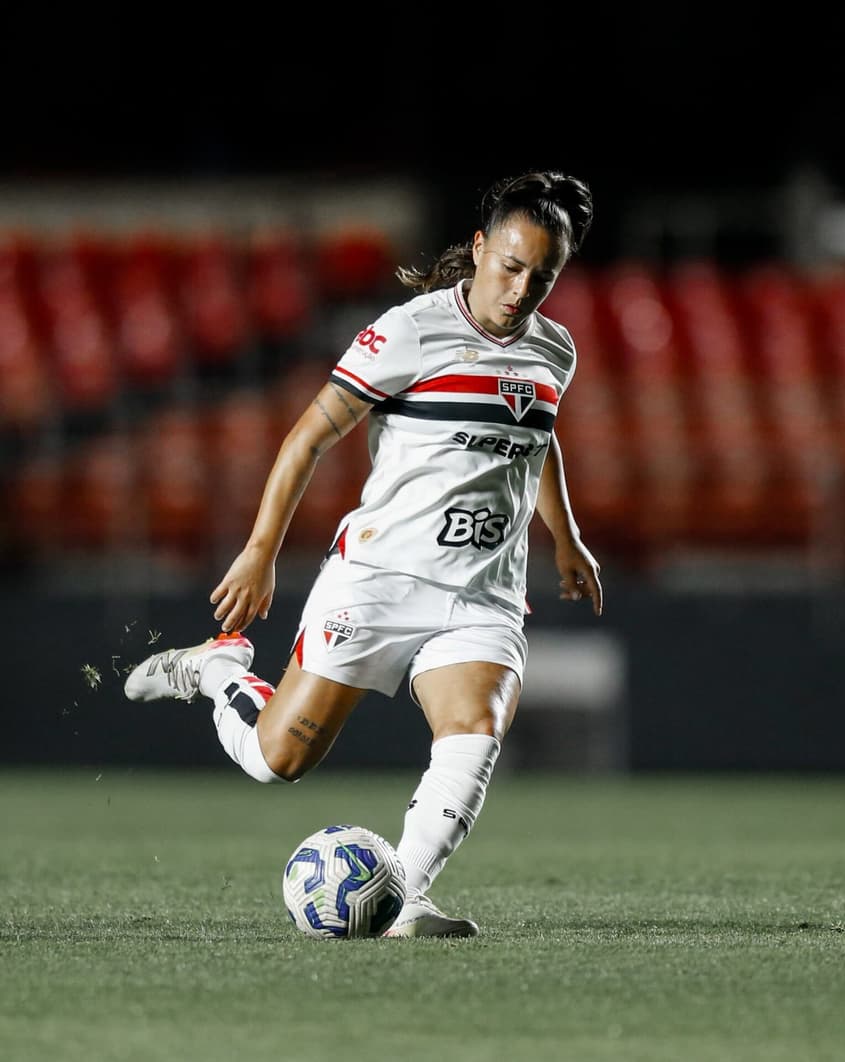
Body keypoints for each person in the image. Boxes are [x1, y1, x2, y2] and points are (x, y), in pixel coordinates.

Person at [124, 169, 604, 938]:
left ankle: (404, 898)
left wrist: (567, 537)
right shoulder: (410, 331)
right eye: (511, 266)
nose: (522, 289)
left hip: (481, 593)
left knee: (473, 732)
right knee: (276, 759)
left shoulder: (555, 349)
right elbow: (308, 436)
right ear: (480, 249)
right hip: (378, 580)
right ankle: (215, 669)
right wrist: (259, 552)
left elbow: (535, 441)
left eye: (541, 277)